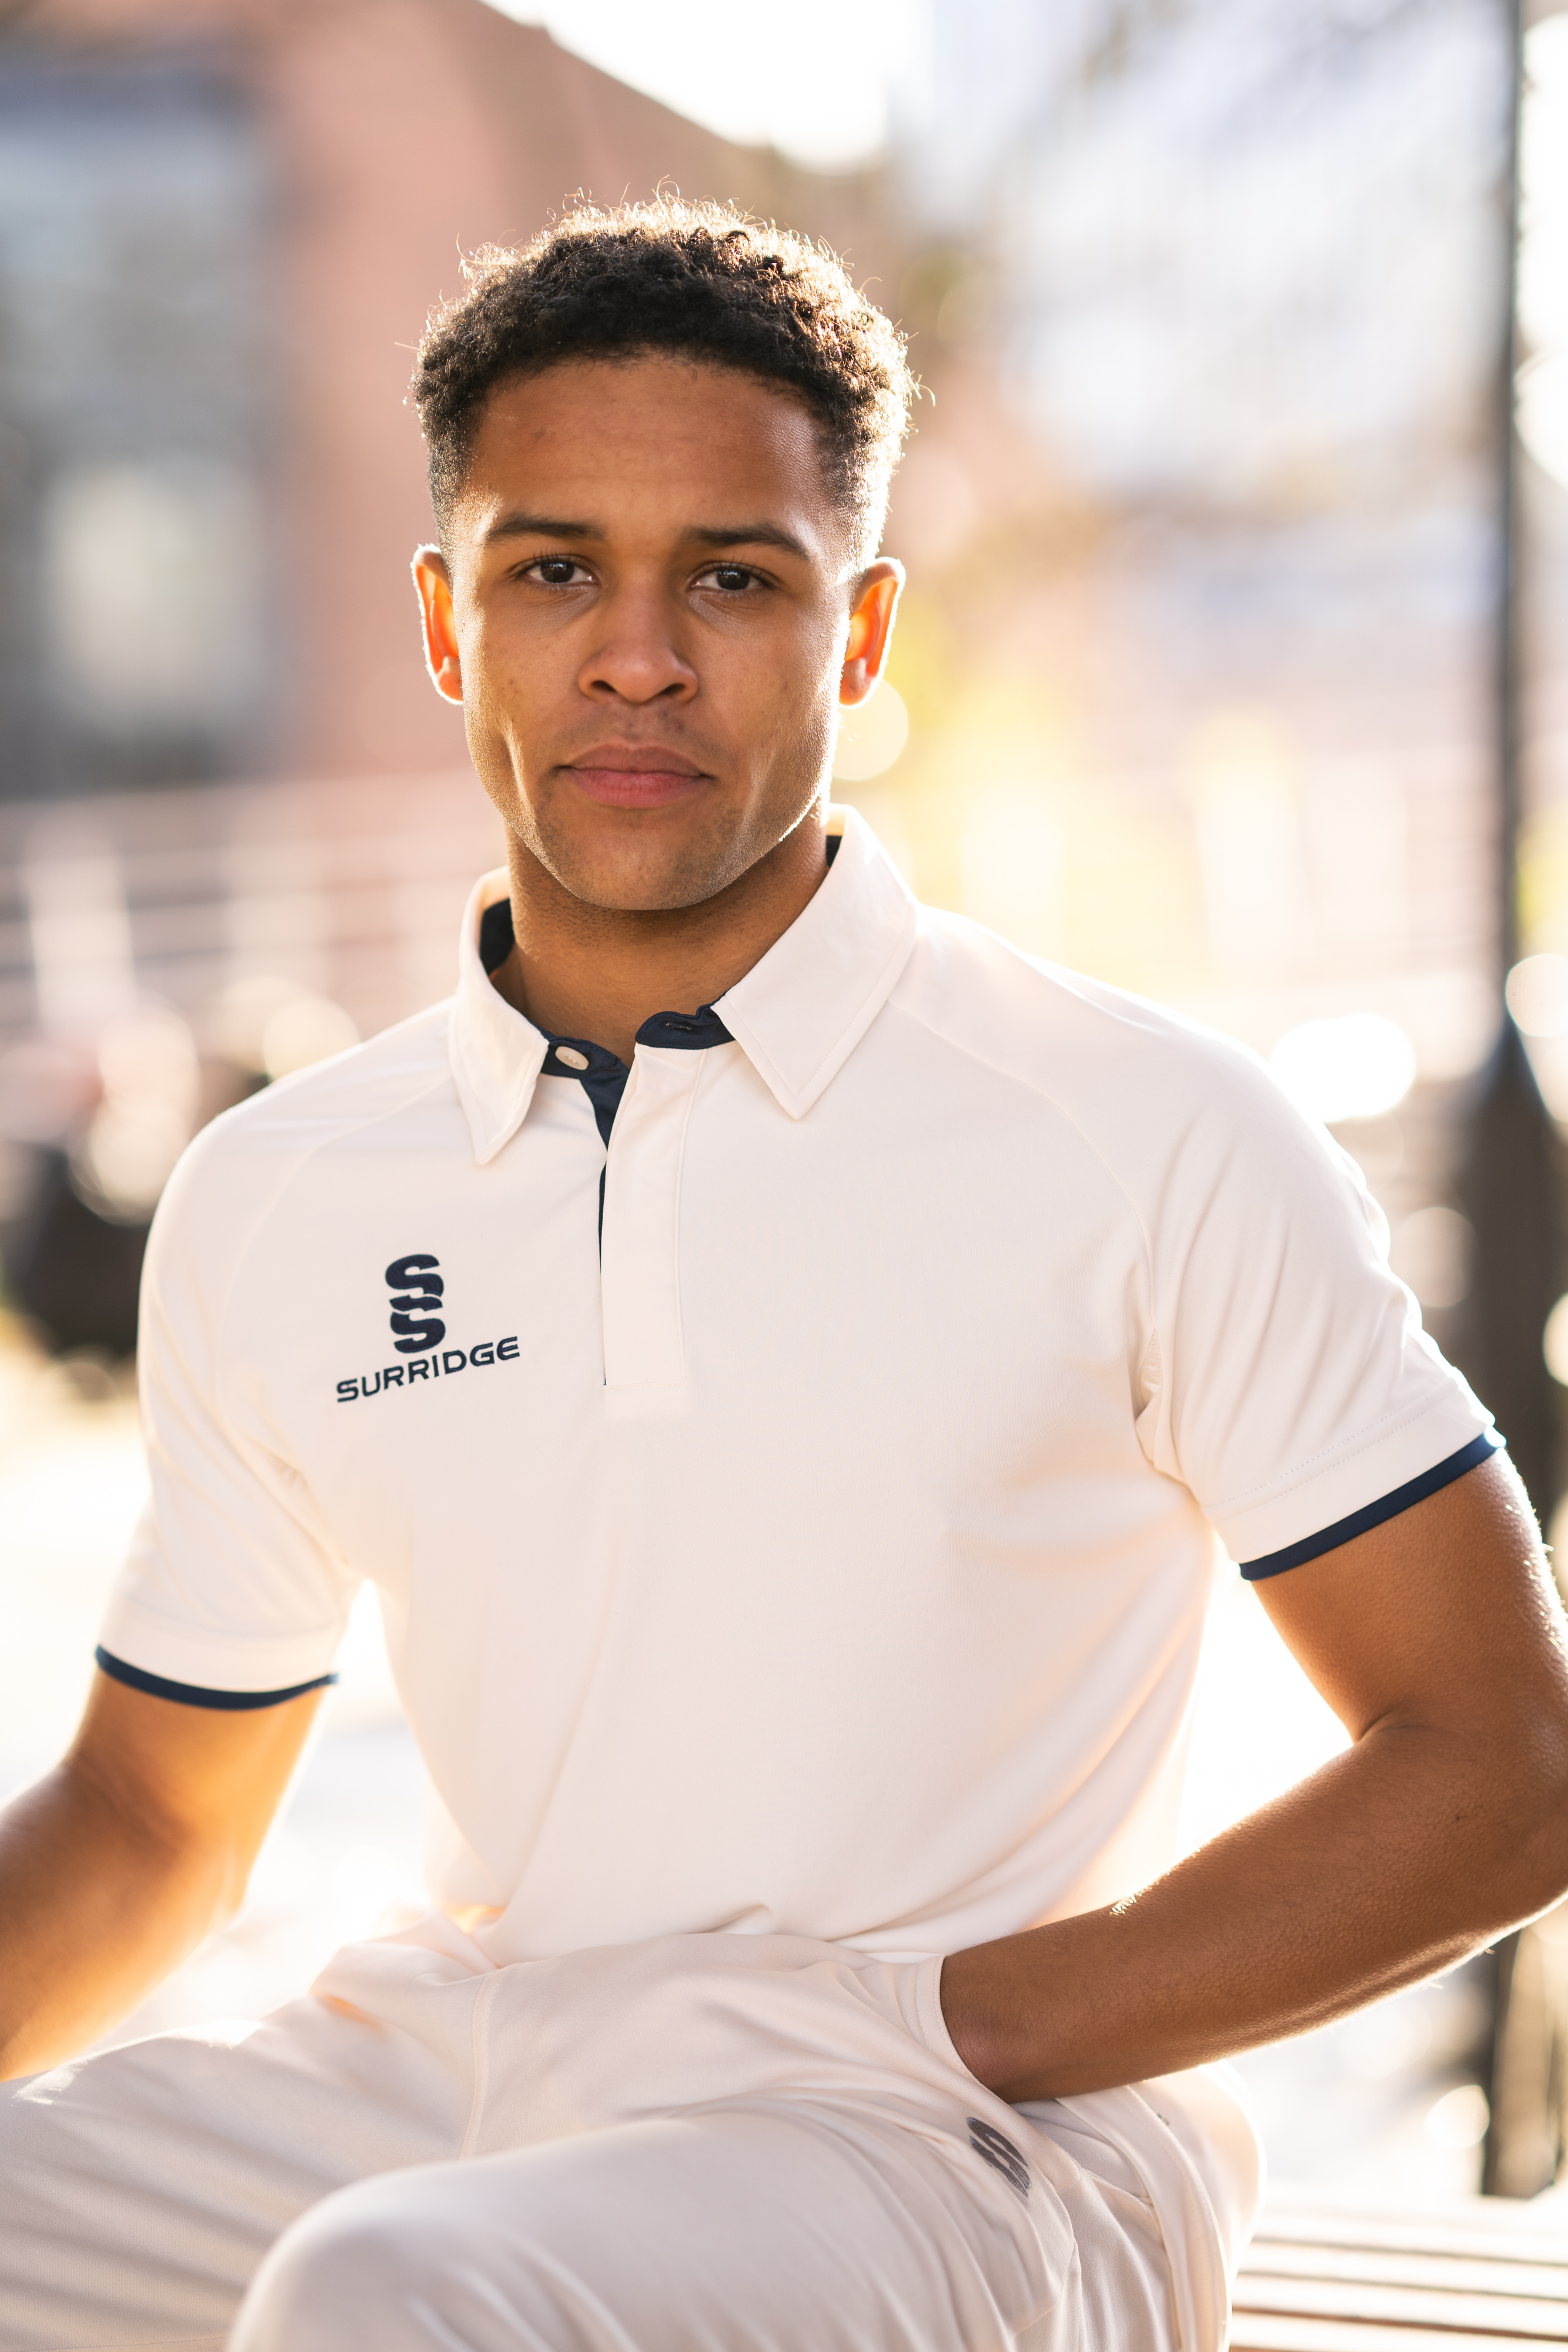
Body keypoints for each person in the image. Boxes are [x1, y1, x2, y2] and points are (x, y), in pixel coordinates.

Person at [2, 197, 1566, 2352]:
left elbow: (1498, 1753)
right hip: (459, 2062)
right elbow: (151, 1816)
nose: (636, 657)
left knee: (392, 2293)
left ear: (860, 633)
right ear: (450, 620)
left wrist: (969, 2024)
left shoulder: (1137, 1128)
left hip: (971, 2132)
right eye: (555, 571)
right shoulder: (285, 1191)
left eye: (732, 578)